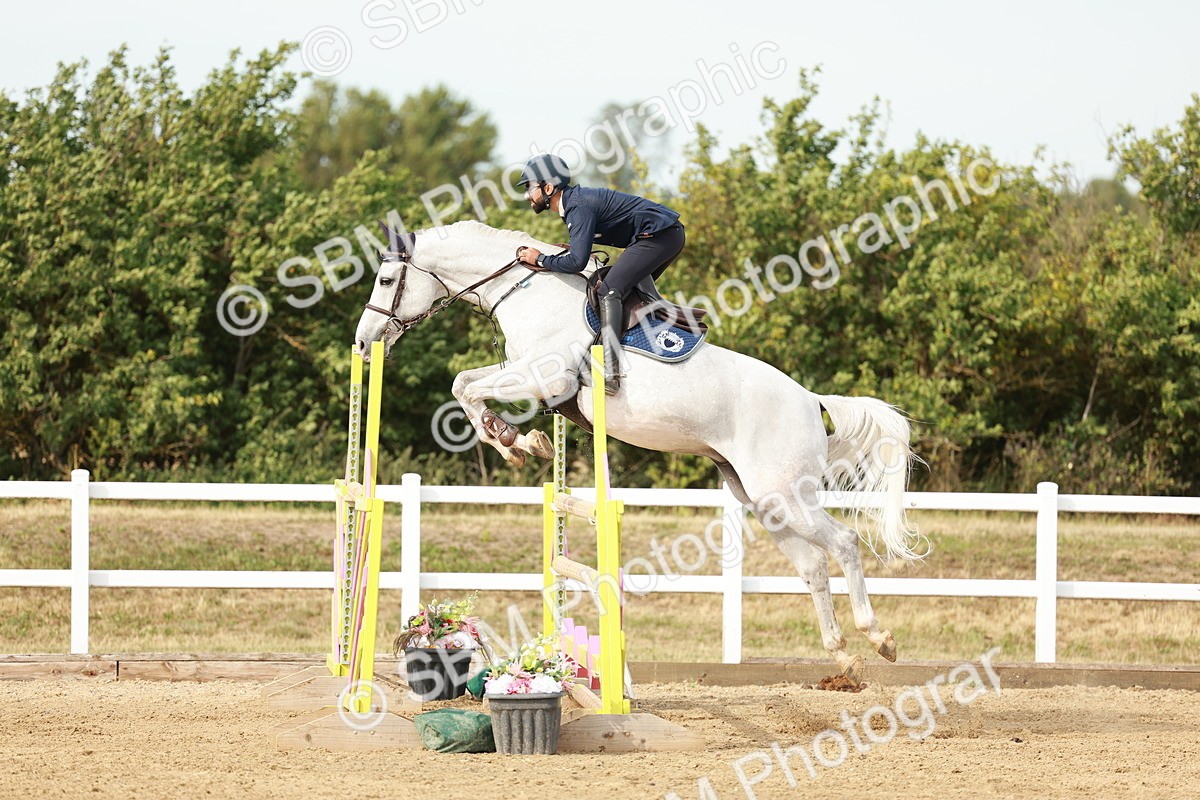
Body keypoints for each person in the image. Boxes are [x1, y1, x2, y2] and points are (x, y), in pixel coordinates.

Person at [516, 153, 685, 395]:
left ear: (549, 187)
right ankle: (637, 352)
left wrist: (540, 259)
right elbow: (579, 254)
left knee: (609, 290)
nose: (527, 195)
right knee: (623, 293)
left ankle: (610, 372)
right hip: (664, 235)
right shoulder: (574, 204)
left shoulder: (577, 206)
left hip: (659, 236)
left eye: (530, 188)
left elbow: (576, 262)